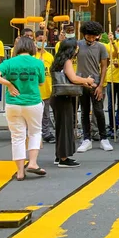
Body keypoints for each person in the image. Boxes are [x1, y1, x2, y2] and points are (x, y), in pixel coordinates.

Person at [0, 37, 47, 180]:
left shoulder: (9, 62)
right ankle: (32, 163)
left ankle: (19, 172)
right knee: (35, 132)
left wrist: (9, 85)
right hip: (33, 102)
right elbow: (42, 83)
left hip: (13, 104)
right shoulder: (38, 63)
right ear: (32, 47)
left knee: (17, 137)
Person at [50, 39, 96, 168]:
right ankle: (64, 158)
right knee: (66, 127)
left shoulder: (57, 60)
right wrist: (87, 80)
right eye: (76, 47)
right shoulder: (67, 61)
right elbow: (73, 78)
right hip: (64, 98)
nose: (77, 49)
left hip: (57, 96)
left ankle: (59, 155)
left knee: (60, 127)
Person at [73, 21, 112, 153]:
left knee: (99, 111)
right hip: (81, 82)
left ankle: (103, 138)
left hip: (95, 83)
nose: (90, 39)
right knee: (84, 111)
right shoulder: (77, 45)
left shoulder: (101, 47)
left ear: (97, 35)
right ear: (84, 34)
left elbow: (104, 67)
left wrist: (101, 85)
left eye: (93, 36)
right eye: (88, 36)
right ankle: (86, 139)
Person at [34, 31, 55, 144]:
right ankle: (35, 134)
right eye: (39, 40)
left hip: (47, 89)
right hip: (34, 91)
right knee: (34, 115)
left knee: (46, 114)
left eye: (44, 41)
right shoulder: (32, 56)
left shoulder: (49, 56)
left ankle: (46, 133)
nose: (42, 43)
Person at [106, 24, 119, 137]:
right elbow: (112, 55)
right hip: (111, 78)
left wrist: (114, 43)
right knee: (110, 105)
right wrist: (112, 42)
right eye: (118, 31)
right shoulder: (109, 44)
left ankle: (117, 124)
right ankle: (112, 126)